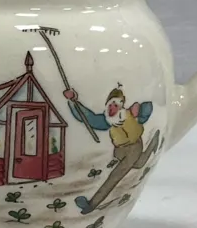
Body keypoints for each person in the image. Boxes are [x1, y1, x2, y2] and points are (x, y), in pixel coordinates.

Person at [64, 85, 161, 215]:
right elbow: (89, 118)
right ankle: (153, 144)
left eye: (115, 105)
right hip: (120, 151)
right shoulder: (108, 120)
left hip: (133, 148)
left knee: (115, 176)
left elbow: (150, 104)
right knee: (139, 164)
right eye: (110, 105)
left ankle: (91, 204)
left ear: (120, 106)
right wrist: (73, 101)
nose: (112, 108)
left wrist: (141, 110)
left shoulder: (128, 114)